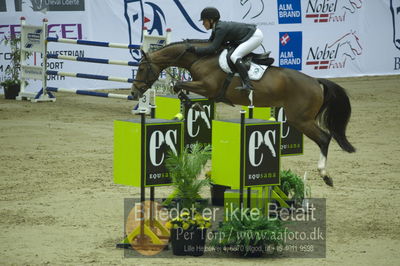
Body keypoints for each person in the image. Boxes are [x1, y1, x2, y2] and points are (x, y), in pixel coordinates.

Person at [186, 7, 264, 91]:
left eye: (204, 21)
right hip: (247, 36)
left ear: (211, 20)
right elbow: (209, 42)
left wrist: (195, 49)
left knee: (235, 56)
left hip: (255, 36)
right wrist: (192, 42)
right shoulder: (216, 28)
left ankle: (248, 84)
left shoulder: (220, 28)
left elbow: (213, 48)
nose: (203, 24)